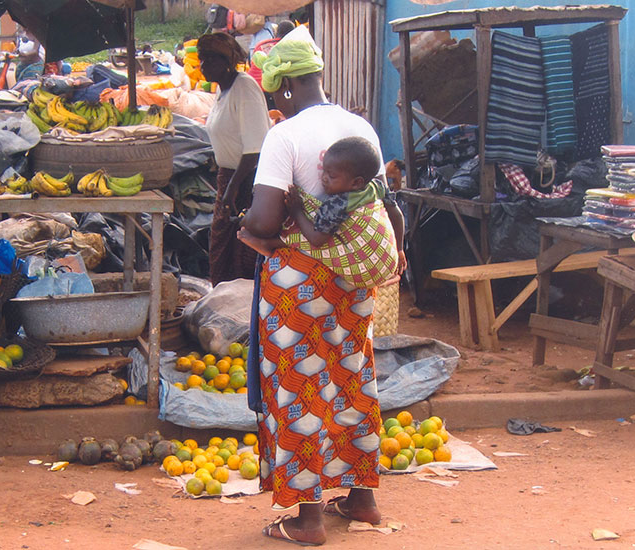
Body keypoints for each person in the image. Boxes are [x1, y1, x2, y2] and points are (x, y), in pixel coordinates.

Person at [238, 26, 405, 546]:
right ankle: (362, 499)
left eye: (274, 93)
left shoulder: (283, 136)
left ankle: (308, 519)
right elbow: (382, 200)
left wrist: (247, 227)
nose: (275, 102)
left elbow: (266, 220)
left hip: (298, 286)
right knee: (351, 383)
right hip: (352, 282)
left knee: (299, 390)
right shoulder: (360, 128)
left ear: (285, 87)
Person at [241, 136, 403, 289]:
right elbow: (396, 214)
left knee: (310, 217)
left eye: (331, 176)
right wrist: (400, 250)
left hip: (365, 271)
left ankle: (271, 243)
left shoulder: (337, 204)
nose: (323, 178)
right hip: (389, 261)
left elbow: (316, 239)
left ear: (356, 182)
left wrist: (297, 210)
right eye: (323, 171)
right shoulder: (377, 186)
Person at [197, 33, 271, 285]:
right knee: (221, 246)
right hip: (228, 177)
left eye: (208, 60)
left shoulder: (244, 88)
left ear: (226, 61)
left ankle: (242, 308)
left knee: (242, 251)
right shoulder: (222, 91)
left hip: (246, 181)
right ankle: (224, 301)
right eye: (200, 60)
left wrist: (232, 188)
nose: (202, 66)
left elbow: (254, 149)